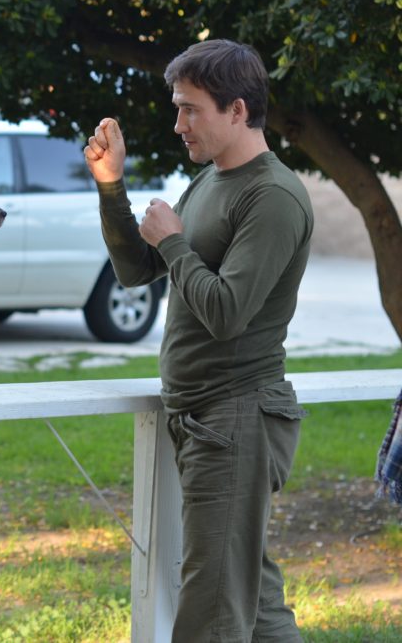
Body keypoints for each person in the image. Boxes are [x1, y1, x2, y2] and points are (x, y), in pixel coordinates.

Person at [84, 39, 314, 641]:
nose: (178, 122)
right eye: (177, 107)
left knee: (210, 613)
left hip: (236, 418)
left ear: (237, 110)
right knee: (253, 607)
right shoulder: (210, 181)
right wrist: (112, 187)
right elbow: (138, 271)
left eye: (191, 109)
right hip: (204, 419)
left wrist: (174, 243)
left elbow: (227, 313)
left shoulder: (274, 197)